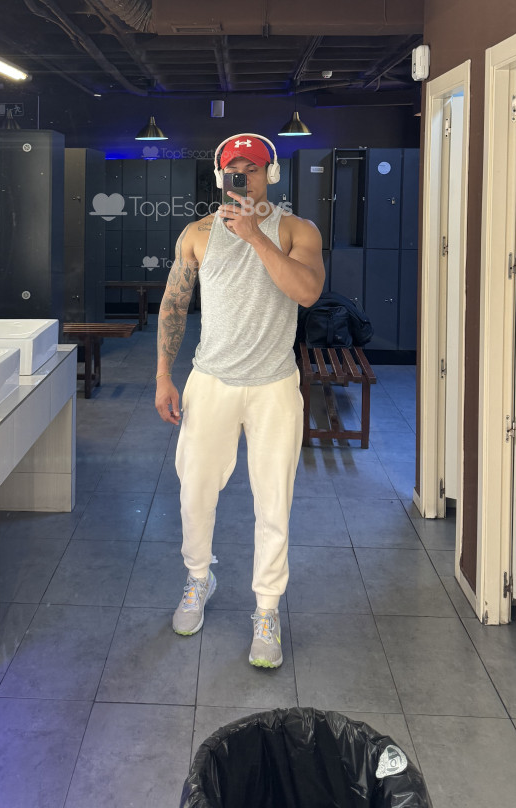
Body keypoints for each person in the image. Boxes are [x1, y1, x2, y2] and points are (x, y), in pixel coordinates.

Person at [155, 133, 324, 668]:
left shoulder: (297, 230)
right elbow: (174, 304)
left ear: (270, 174)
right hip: (212, 381)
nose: (242, 178)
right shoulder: (197, 234)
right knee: (195, 491)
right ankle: (198, 578)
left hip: (274, 385)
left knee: (274, 501)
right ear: (220, 175)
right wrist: (163, 374)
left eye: (252, 169)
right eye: (234, 169)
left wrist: (256, 237)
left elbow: (307, 292)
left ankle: (267, 609)